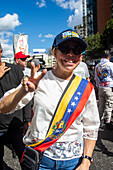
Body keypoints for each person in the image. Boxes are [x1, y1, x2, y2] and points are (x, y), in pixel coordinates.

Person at [0, 29, 100, 170]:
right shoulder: (38, 80)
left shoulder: (86, 88)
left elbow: (91, 127)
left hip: (73, 161)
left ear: (81, 56)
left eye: (77, 50)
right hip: (40, 159)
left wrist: (86, 161)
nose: (71, 54)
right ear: (54, 52)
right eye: (65, 48)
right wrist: (23, 90)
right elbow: (3, 107)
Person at [0, 44, 31, 169]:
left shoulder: (15, 70)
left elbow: (26, 95)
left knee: (26, 160)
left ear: (1, 52)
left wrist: (27, 120)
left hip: (15, 124)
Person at [95, 50, 113, 129]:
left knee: (101, 104)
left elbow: (96, 78)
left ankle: (99, 120)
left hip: (100, 87)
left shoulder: (97, 66)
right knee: (109, 103)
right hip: (109, 86)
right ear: (109, 56)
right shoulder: (110, 64)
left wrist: (98, 86)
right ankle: (107, 121)